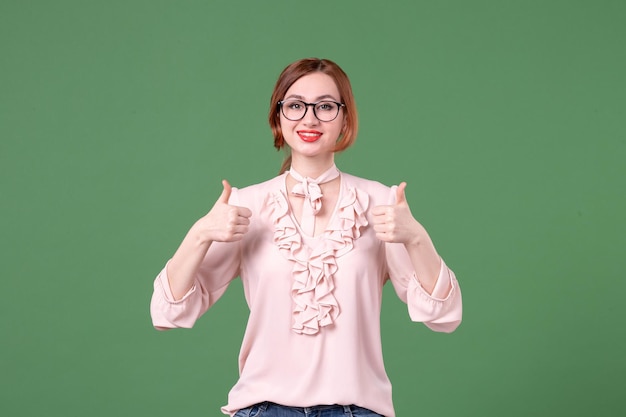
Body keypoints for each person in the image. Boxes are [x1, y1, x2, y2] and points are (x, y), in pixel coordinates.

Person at [150, 57, 462, 417]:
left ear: (345, 119)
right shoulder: (246, 204)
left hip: (357, 409)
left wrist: (416, 238)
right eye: (296, 105)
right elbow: (167, 312)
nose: (309, 119)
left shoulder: (380, 202)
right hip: (263, 409)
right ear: (278, 117)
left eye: (326, 106)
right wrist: (200, 232)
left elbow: (445, 317)